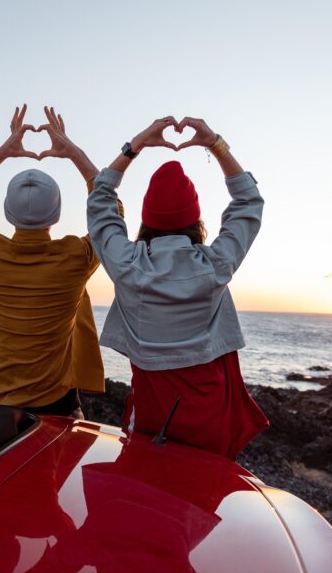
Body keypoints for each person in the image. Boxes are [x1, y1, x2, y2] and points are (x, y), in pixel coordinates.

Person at [86, 116, 269, 459]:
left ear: (147, 220)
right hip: (209, 411)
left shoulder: (127, 265)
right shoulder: (216, 265)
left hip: (154, 413)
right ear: (196, 221)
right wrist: (216, 145)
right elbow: (249, 202)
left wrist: (135, 145)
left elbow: (100, 199)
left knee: (147, 494)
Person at [0, 105, 111, 417]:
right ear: (57, 214)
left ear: (7, 211)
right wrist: (74, 152)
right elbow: (110, 211)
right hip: (60, 406)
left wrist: (4, 150)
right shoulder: (76, 257)